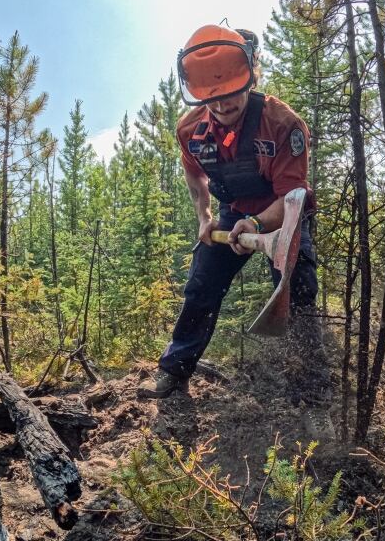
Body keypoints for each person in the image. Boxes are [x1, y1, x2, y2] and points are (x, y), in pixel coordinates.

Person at [137, 24, 327, 403]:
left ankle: (311, 390)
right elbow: (194, 174)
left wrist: (256, 224)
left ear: (251, 77)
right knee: (201, 284)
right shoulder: (190, 130)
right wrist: (204, 217)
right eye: (214, 100)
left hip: (284, 216)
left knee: (299, 289)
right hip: (231, 214)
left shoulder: (283, 124)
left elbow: (292, 194)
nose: (224, 107)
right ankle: (174, 371)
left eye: (233, 97)